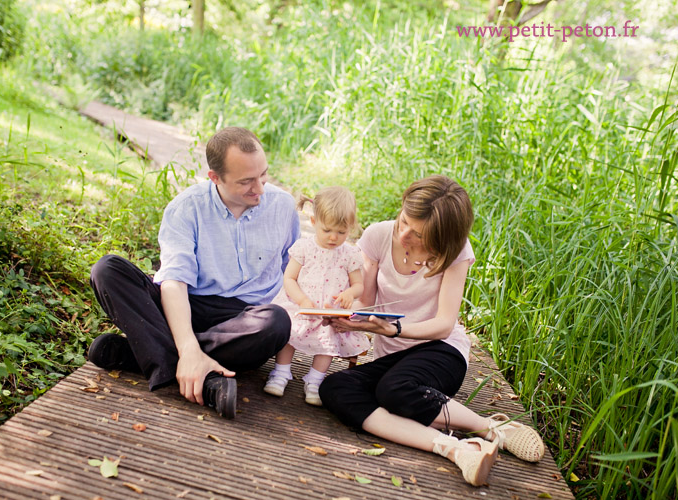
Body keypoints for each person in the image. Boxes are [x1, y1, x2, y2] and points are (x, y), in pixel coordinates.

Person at [319, 175, 545, 486]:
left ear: (442, 238)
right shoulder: (378, 236)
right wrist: (348, 314)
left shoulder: (456, 252)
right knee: (336, 388)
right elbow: (368, 300)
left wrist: (393, 329)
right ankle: (456, 448)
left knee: (394, 390)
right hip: (393, 359)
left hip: (440, 350)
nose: (405, 233)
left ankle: (492, 429)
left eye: (419, 234)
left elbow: (444, 324)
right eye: (404, 221)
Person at [88, 127, 301, 420]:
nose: (260, 188)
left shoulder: (283, 207)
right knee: (108, 269)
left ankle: (144, 354)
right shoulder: (187, 208)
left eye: (263, 175)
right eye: (246, 181)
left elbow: (290, 269)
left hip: (241, 324)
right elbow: (173, 283)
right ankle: (207, 379)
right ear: (215, 177)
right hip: (183, 305)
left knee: (276, 322)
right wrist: (187, 346)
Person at [263, 187, 369, 406]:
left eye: (341, 232)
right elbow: (289, 278)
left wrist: (350, 292)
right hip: (302, 303)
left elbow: (359, 285)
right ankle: (281, 372)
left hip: (328, 310)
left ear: (350, 227)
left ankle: (315, 380)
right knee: (289, 332)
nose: (333, 237)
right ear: (313, 221)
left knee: (327, 341)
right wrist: (301, 299)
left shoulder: (349, 254)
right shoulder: (304, 247)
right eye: (327, 230)